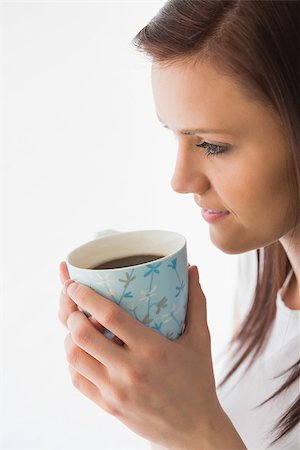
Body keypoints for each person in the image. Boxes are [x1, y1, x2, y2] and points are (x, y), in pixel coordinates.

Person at [58, 1, 300, 448]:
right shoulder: (268, 277)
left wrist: (196, 431)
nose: (179, 180)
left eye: (212, 145)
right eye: (175, 134)